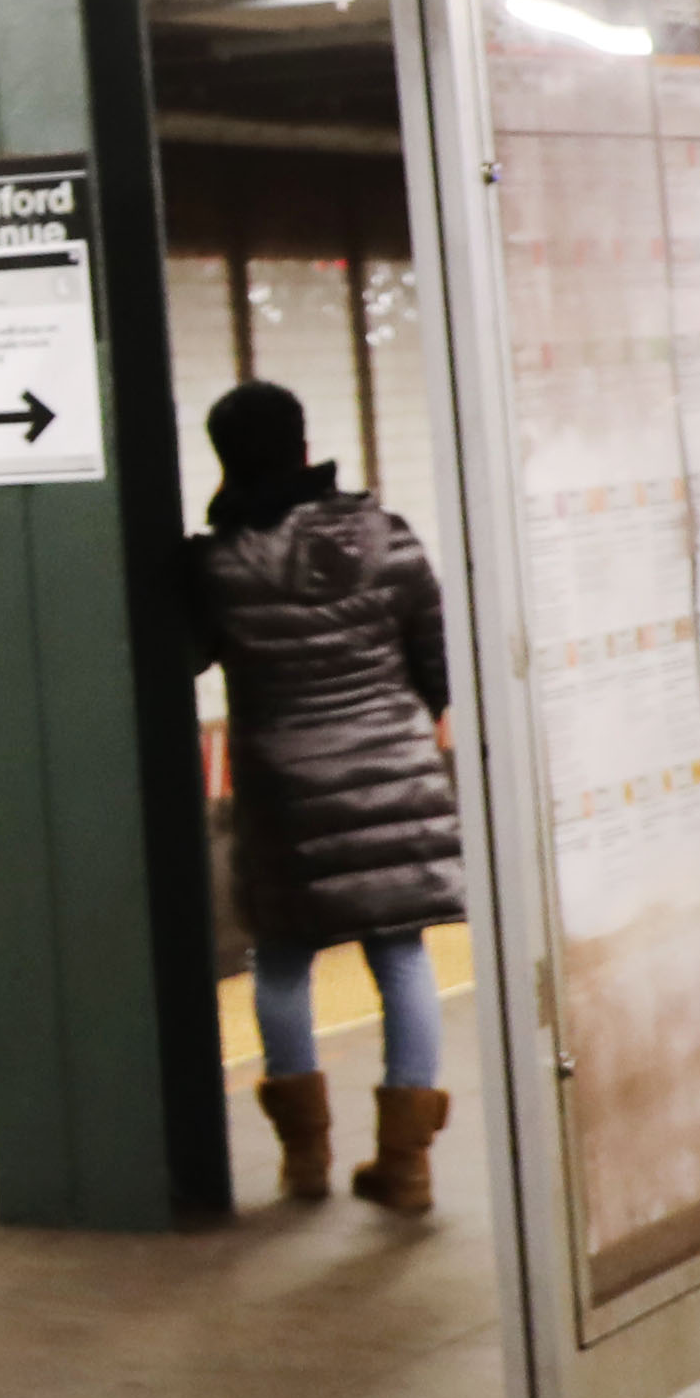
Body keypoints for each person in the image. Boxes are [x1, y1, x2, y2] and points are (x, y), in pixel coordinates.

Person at [178, 384, 464, 1217]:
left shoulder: (220, 565)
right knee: (402, 953)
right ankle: (405, 1164)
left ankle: (305, 1158)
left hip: (285, 785)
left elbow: (186, 654)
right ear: (304, 446)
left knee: (282, 957)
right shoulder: (390, 537)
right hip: (396, 776)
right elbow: (438, 666)